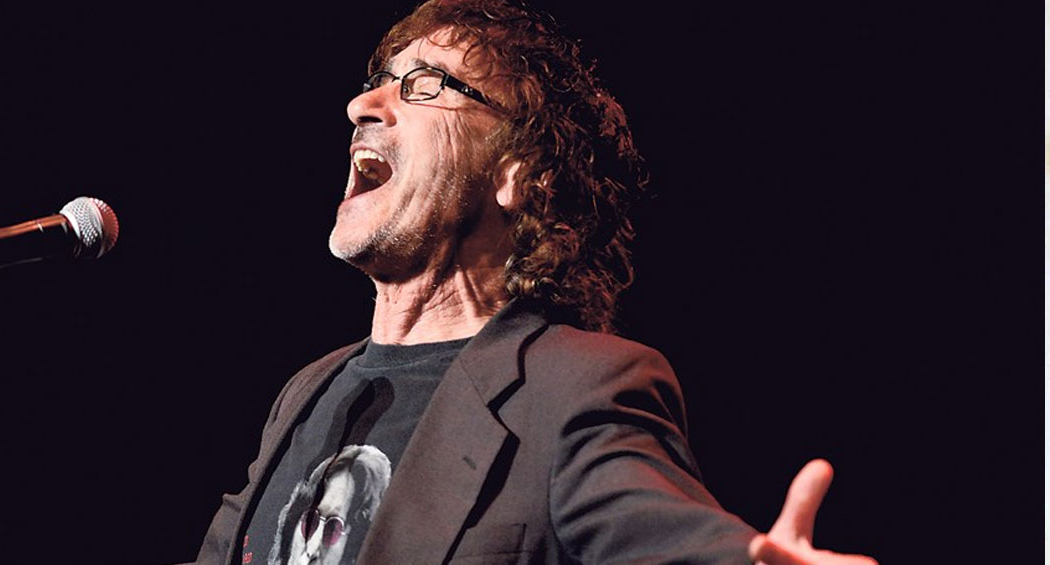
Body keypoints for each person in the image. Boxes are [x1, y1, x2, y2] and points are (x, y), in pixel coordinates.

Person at [191, 1, 877, 563]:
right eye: (379, 79)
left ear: (517, 175)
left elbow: (654, 531)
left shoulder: (574, 386)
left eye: (424, 82)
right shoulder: (309, 391)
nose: (360, 105)